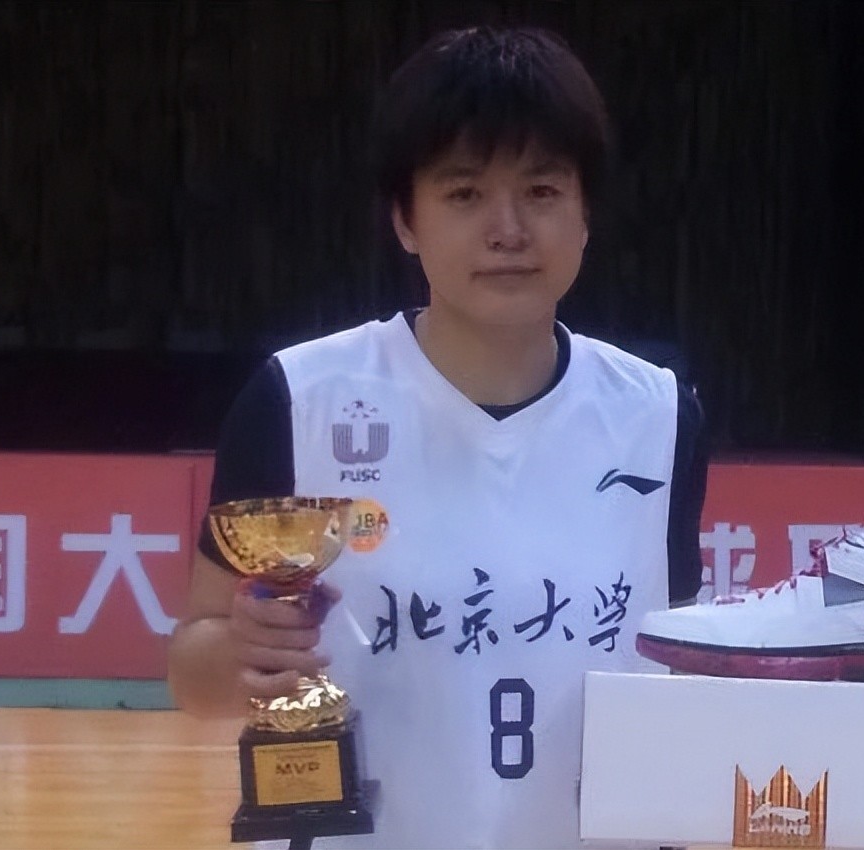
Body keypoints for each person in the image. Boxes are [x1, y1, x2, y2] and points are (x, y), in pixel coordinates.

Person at [167, 24, 708, 849]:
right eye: (464, 194)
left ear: (586, 214)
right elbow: (194, 671)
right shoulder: (298, 399)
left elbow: (677, 665)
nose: (508, 229)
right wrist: (246, 650)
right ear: (405, 219)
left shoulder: (659, 414)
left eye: (541, 191)